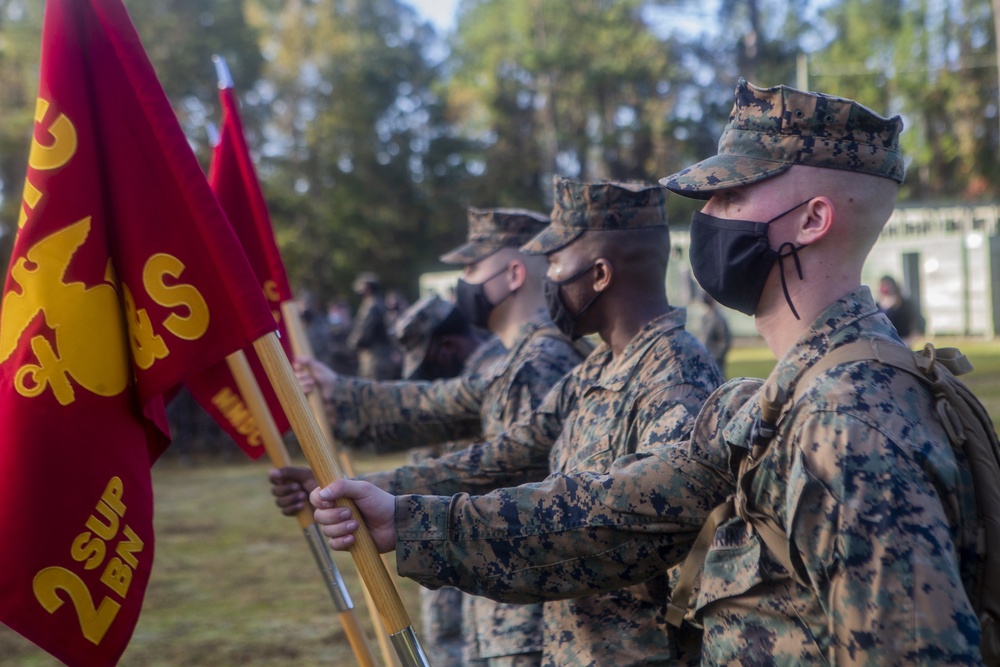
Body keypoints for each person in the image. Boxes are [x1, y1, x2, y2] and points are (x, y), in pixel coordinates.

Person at [310, 80, 983, 665]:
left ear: (812, 219)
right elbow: (610, 513)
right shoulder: (768, 403)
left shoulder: (850, 424)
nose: (706, 218)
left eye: (731, 194)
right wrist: (412, 518)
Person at [286, 208, 587, 667]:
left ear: (514, 274)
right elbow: (437, 401)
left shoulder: (539, 361)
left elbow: (499, 468)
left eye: (471, 269)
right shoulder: (515, 358)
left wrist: (375, 490)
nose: (461, 284)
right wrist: (338, 390)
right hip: (501, 595)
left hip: (525, 609)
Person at [347, 272, 400, 379]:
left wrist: (351, 344)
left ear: (367, 288)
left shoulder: (371, 307)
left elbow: (363, 336)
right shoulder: (379, 304)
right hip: (383, 360)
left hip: (375, 362)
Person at [878, 274, 923, 345]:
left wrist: (908, 341)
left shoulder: (906, 305)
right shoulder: (876, 306)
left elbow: (918, 325)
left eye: (887, 285)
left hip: (903, 346)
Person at [699, 293, 731, 377]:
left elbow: (725, 340)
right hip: (706, 357)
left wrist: (718, 356)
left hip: (716, 359)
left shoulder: (718, 319)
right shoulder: (705, 318)